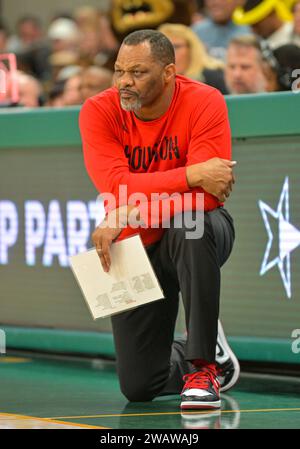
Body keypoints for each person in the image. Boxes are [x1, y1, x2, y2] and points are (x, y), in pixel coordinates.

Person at [79, 30, 237, 410]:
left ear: (168, 72)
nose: (124, 83)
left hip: (198, 230)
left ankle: (203, 368)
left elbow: (208, 195)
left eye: (137, 72)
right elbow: (116, 185)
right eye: (119, 71)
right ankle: (197, 348)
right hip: (134, 241)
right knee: (138, 386)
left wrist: (128, 208)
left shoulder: (204, 101)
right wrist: (189, 174)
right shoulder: (99, 110)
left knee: (190, 222)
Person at [158, 23, 228, 94]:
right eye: (164, 47)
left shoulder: (213, 76)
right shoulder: (158, 81)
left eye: (176, 47)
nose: (169, 52)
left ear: (191, 49)